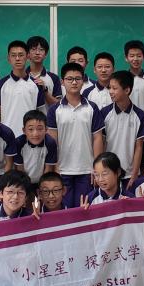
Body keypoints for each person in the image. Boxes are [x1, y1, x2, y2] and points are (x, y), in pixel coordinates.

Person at [48, 62, 104, 207]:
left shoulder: (92, 108)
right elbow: (52, 141)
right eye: (69, 79)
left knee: (84, 210)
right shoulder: (54, 110)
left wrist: (96, 168)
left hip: (86, 170)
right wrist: (55, 167)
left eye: (78, 79)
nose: (74, 82)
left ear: (83, 80)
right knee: (64, 211)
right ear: (62, 81)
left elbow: (97, 138)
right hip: (62, 170)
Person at [98, 71, 144, 191]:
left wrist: (134, 174)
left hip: (130, 174)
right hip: (108, 172)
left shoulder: (140, 115)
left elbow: (139, 147)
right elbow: (101, 143)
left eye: (115, 88)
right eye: (109, 88)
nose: (110, 91)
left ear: (127, 90)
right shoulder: (104, 113)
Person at [0, 40, 43, 136]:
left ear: (28, 57)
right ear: (8, 58)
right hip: (7, 136)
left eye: (21, 55)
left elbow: (41, 112)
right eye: (13, 55)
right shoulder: (1, 84)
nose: (17, 59)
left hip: (30, 136)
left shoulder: (36, 84)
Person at [13, 110, 59, 189]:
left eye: (40, 129)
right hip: (23, 181)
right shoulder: (18, 143)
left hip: (42, 181)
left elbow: (48, 169)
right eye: (31, 129)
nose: (35, 134)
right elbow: (19, 169)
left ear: (46, 129)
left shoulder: (50, 143)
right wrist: (25, 187)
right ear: (24, 130)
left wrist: (43, 188)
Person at [25, 36, 63, 112]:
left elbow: (59, 106)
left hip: (46, 119)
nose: (37, 53)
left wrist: (45, 91)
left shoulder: (54, 78)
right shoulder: (22, 77)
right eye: (33, 49)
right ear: (28, 54)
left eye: (41, 50)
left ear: (45, 54)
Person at [124, 40, 144, 119]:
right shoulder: (122, 79)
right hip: (127, 122)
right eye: (132, 56)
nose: (135, 59)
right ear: (126, 58)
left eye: (139, 56)